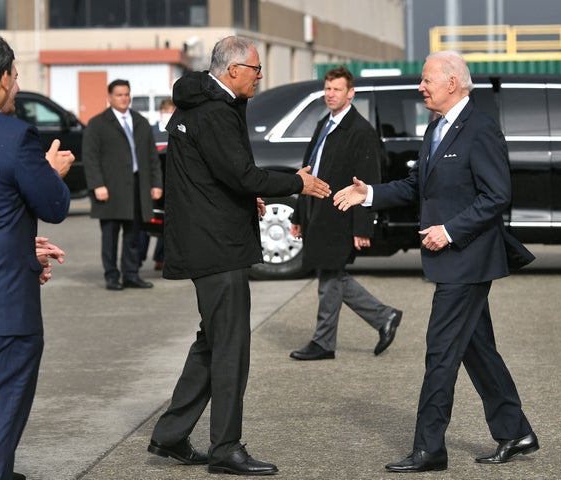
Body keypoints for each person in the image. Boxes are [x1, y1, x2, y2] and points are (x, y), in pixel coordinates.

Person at [334, 51, 538, 472]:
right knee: (476, 349)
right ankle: (515, 431)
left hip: (468, 259)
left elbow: (496, 196)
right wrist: (368, 193)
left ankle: (430, 448)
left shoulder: (479, 129)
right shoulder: (436, 127)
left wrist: (449, 230)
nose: (421, 87)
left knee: (441, 351)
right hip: (453, 261)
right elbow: (416, 187)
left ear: (453, 83)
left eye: (427, 80)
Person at [146, 36, 330, 476]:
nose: (260, 76)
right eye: (256, 68)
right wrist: (295, 183)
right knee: (231, 349)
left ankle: (171, 435)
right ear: (232, 71)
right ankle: (225, 447)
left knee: (212, 341)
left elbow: (218, 176)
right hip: (215, 247)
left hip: (210, 237)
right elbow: (241, 173)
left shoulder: (209, 104)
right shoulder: (213, 112)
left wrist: (246, 199)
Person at [0, 32, 73, 480]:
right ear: (5, 78)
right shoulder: (13, 134)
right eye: (18, 76)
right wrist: (51, 171)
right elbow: (55, 206)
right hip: (1, 308)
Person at [289, 66, 402, 361]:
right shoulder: (322, 125)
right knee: (331, 275)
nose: (330, 94)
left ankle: (324, 342)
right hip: (318, 212)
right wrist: (298, 215)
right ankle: (383, 317)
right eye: (327, 89)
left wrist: (362, 227)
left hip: (340, 213)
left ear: (350, 93)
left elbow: (368, 182)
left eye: (337, 89)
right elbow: (307, 172)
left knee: (329, 275)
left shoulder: (361, 131)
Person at [83, 79, 163, 290]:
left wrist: (156, 183)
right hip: (110, 187)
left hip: (137, 184)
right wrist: (97, 185)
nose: (123, 98)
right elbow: (90, 157)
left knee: (134, 233)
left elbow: (152, 156)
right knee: (110, 235)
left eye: (126, 94)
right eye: (119, 95)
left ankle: (131, 274)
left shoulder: (140, 122)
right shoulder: (98, 124)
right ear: (109, 97)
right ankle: (111, 276)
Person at [139, 98, 175, 271]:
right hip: (152, 183)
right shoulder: (150, 131)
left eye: (171, 111)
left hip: (171, 184)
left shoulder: (177, 131)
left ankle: (161, 258)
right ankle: (138, 258)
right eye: (166, 111)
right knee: (146, 220)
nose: (168, 114)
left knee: (166, 222)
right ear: (161, 112)